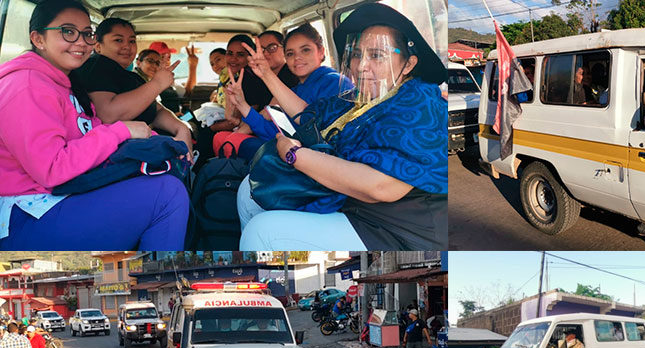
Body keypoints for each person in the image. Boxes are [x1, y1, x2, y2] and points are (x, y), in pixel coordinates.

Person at [238, 3, 447, 250]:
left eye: (377, 55)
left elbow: (381, 187)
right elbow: (309, 116)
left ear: (409, 64)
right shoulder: (359, 99)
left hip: (396, 226)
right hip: (349, 202)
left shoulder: (421, 101)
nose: (360, 66)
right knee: (247, 191)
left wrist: (295, 155)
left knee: (263, 232)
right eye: (357, 54)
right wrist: (267, 75)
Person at [0, 1, 189, 249]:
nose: (80, 42)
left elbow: (91, 128)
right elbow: (51, 170)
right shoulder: (26, 86)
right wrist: (121, 130)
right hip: (29, 213)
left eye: (87, 33)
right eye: (68, 31)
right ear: (38, 38)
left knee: (161, 175)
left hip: (65, 193)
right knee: (168, 194)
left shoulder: (65, 82)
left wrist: (152, 138)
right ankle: (157, 278)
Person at [224, 23, 353, 161]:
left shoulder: (334, 82)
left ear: (321, 52)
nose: (297, 57)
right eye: (290, 53)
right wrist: (242, 104)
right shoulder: (294, 91)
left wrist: (266, 74)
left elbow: (322, 137)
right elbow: (276, 131)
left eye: (305, 50)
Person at [74, 18, 193, 155]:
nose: (127, 46)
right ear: (98, 45)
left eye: (132, 41)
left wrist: (181, 128)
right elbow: (108, 114)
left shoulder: (131, 77)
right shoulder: (97, 66)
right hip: (116, 153)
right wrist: (157, 84)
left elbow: (157, 110)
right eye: (118, 40)